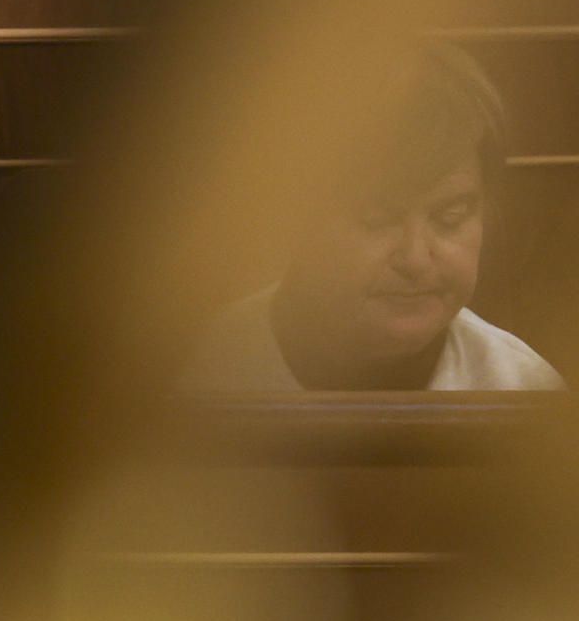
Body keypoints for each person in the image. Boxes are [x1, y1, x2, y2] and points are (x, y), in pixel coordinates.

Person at [187, 43, 562, 392]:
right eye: (377, 220)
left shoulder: (523, 390)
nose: (415, 259)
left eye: (450, 218)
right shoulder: (194, 378)